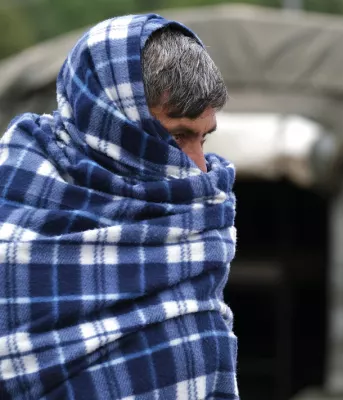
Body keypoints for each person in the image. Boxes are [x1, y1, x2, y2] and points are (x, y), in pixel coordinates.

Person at [0, 14, 238, 400]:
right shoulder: (17, 198)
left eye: (203, 139)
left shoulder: (191, 230)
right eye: (178, 136)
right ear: (114, 122)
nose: (198, 168)